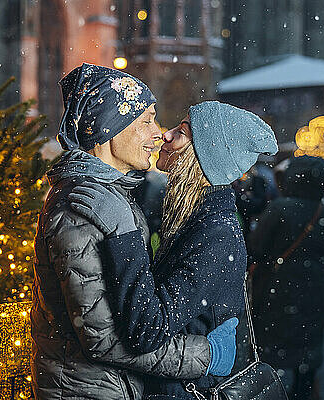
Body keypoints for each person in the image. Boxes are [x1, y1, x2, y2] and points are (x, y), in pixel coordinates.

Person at [31, 64, 236, 400]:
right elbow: (103, 339)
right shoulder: (81, 208)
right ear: (109, 130)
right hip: (87, 391)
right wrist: (206, 355)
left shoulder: (111, 196)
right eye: (146, 122)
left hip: (112, 387)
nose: (158, 134)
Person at [68, 101, 279, 399]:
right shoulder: (195, 216)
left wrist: (122, 233)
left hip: (184, 391)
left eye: (182, 132)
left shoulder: (215, 234)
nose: (166, 135)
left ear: (203, 155)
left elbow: (147, 329)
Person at [248, 156, 324, 400]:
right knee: (307, 350)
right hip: (315, 291)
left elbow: (256, 247)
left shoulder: (280, 208)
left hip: (277, 288)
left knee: (270, 348)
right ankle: (302, 392)